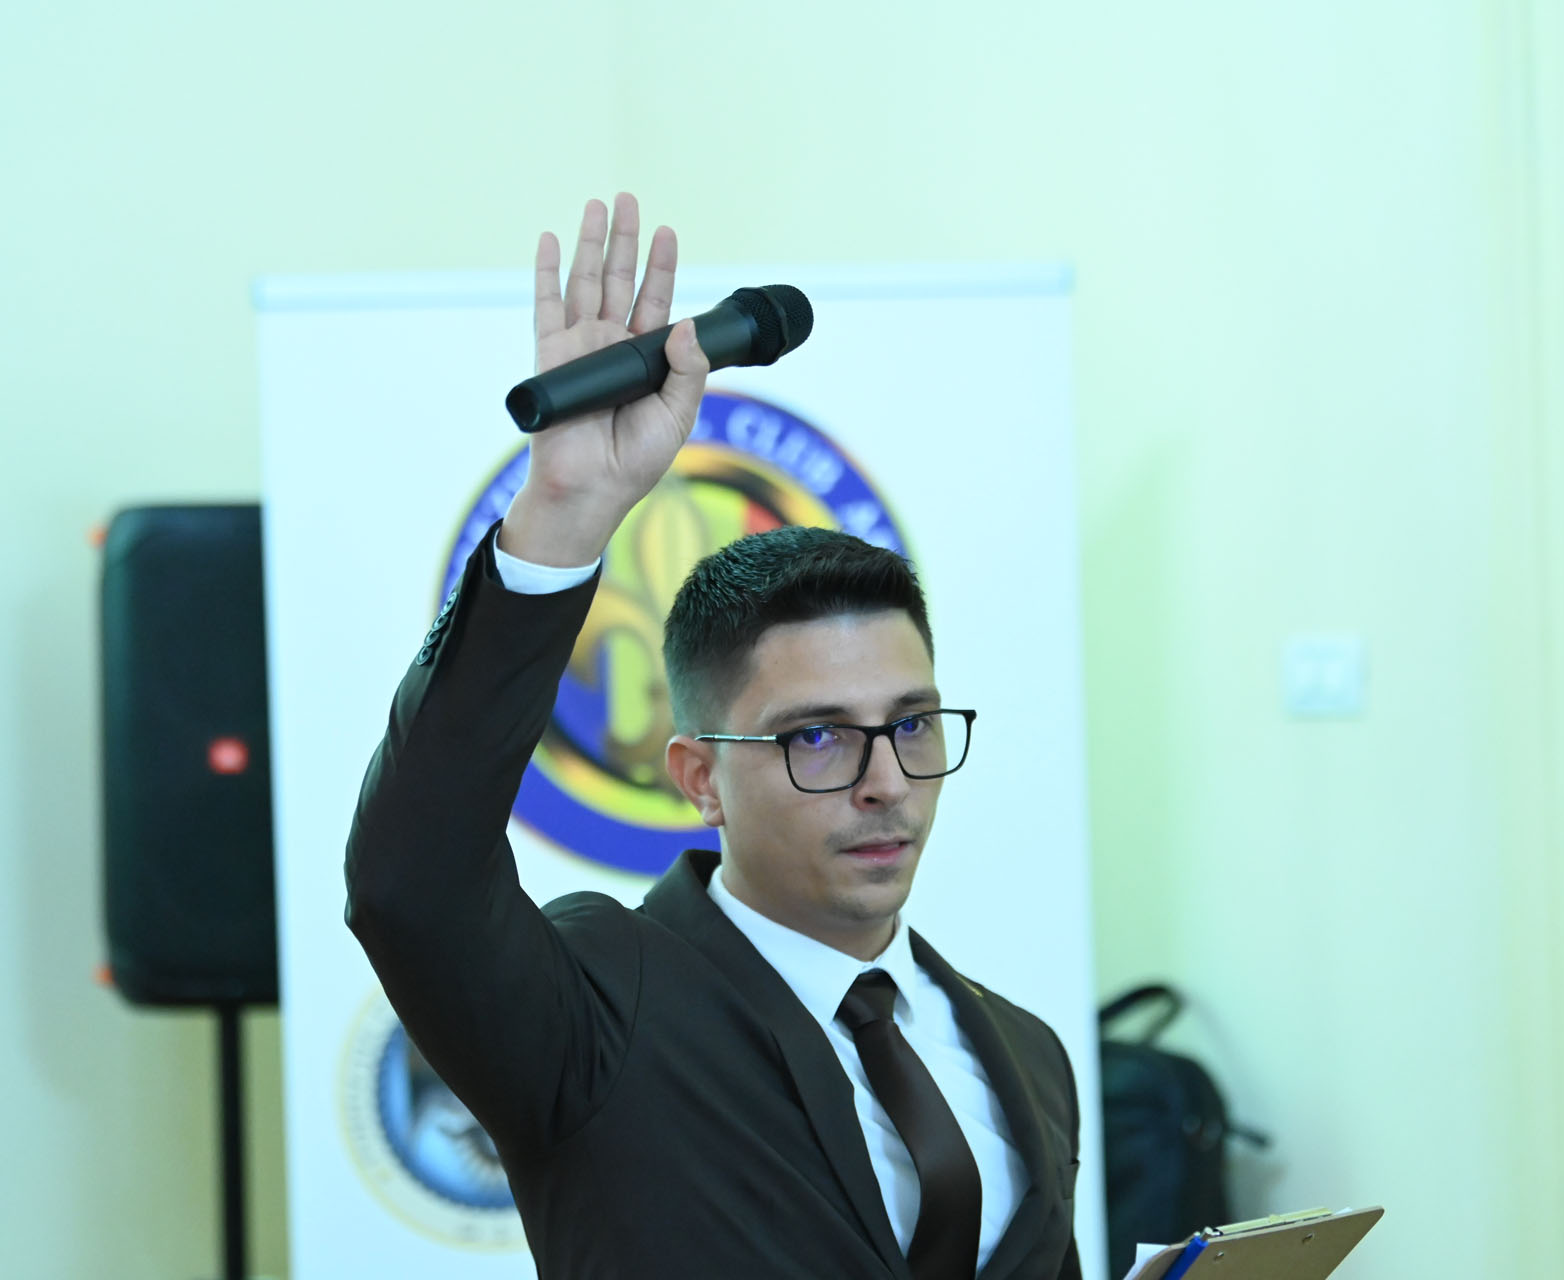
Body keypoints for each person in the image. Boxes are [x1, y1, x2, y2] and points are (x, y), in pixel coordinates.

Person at [345, 193, 1083, 1280]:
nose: (886, 781)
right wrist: (561, 518)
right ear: (699, 777)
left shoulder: (1024, 1049)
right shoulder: (602, 1004)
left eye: (912, 724)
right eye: (818, 738)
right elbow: (409, 884)